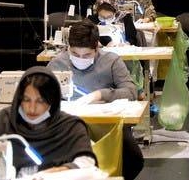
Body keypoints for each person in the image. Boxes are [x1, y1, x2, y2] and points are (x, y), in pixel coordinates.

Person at [46, 19, 143, 180]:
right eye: (75, 54)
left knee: (133, 160)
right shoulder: (57, 64)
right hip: (68, 126)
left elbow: (131, 92)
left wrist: (101, 94)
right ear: (68, 48)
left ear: (97, 47)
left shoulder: (111, 61)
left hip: (107, 127)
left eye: (87, 55)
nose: (80, 58)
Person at [0, 66, 96, 178]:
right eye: (26, 100)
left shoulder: (70, 127)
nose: (32, 108)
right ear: (19, 98)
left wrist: (58, 172)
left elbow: (86, 162)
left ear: (52, 101)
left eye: (40, 101)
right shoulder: (3, 121)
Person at [87, 0, 145, 99]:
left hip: (124, 53)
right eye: (102, 17)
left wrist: (125, 44)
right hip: (102, 55)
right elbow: (89, 38)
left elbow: (132, 38)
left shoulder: (125, 18)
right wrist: (102, 44)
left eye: (109, 17)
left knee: (127, 64)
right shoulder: (91, 20)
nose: (105, 20)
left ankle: (135, 90)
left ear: (115, 12)